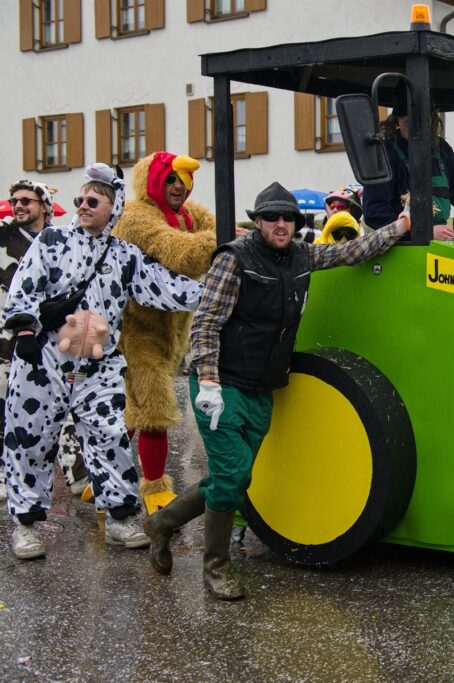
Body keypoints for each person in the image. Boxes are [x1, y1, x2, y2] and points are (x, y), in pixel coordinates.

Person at [143, 183, 410, 600]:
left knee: (233, 478)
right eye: (271, 217)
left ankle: (161, 524)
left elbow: (349, 252)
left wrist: (401, 227)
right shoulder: (234, 259)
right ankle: (216, 568)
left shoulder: (302, 255)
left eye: (288, 218)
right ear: (258, 222)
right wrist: (208, 381)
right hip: (222, 385)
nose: (281, 224)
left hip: (262, 388)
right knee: (232, 477)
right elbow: (206, 323)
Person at [2, 163, 204, 560]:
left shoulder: (125, 255)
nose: (83, 205)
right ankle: (26, 525)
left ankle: (119, 519)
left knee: (111, 437)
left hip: (99, 366)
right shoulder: (52, 241)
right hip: (44, 360)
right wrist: (25, 331)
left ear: (114, 207)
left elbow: (165, 287)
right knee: (30, 440)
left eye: (93, 201)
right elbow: (24, 287)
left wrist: (218, 289)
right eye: (80, 199)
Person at [112, 152, 216, 514]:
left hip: (171, 332)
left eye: (183, 181)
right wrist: (223, 240)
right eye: (170, 179)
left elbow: (216, 225)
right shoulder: (134, 216)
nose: (178, 187)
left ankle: (101, 474)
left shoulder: (188, 214)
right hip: (136, 331)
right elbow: (182, 254)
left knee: (131, 411)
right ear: (152, 181)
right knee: (154, 410)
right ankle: (154, 487)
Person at [0, 181, 89, 504]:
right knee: (7, 408)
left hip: (54, 337)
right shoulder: (3, 238)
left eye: (27, 200)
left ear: (44, 206)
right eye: (15, 200)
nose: (19, 206)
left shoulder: (59, 241)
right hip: (7, 341)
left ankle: (78, 474)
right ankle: (6, 475)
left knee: (67, 403)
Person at [362, 95, 454, 239]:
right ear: (397, 120)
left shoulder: (441, 149)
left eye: (421, 119)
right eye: (407, 121)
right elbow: (375, 214)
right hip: (399, 246)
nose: (414, 127)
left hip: (437, 242)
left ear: (430, 118)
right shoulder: (384, 153)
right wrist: (422, 233)